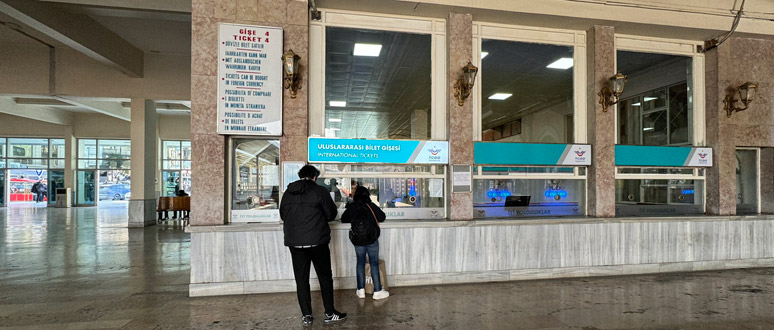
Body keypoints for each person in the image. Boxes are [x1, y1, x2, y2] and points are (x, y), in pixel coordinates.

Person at [280, 165, 347, 326]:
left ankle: (307, 316)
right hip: (318, 242)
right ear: (314, 177)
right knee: (325, 277)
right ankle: (330, 314)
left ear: (300, 176)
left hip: (295, 243)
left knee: (301, 280)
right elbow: (331, 214)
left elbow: (283, 215)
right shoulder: (320, 191)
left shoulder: (287, 193)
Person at [341, 186, 389, 300]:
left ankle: (360, 290)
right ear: (367, 195)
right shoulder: (371, 206)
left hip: (358, 241)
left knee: (360, 264)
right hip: (372, 239)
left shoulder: (352, 206)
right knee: (374, 264)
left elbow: (344, 219)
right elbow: (382, 217)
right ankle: (377, 291)